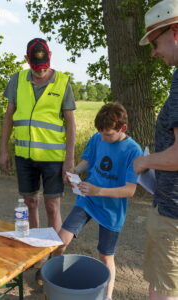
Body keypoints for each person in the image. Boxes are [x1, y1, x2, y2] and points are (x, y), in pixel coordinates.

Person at [54, 102, 142, 300]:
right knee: (60, 241)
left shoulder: (133, 151)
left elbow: (130, 191)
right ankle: (53, 280)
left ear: (123, 128)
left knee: (105, 256)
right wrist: (76, 170)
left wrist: (98, 190)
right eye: (101, 133)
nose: (103, 138)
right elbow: (89, 160)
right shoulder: (97, 137)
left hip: (112, 210)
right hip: (87, 201)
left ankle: (107, 297)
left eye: (108, 134)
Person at [0, 37, 76, 233]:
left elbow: (71, 123)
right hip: (24, 157)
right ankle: (36, 250)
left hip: (53, 159)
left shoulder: (63, 82)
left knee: (52, 207)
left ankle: (55, 256)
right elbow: (9, 116)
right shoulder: (17, 80)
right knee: (29, 202)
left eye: (44, 67)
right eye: (36, 68)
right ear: (26, 59)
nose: (41, 72)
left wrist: (70, 159)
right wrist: (3, 151)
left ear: (50, 56)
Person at [134, 0, 178, 299]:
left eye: (155, 42)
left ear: (174, 31)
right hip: (169, 206)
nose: (153, 52)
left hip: (173, 213)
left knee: (163, 291)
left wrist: (143, 162)